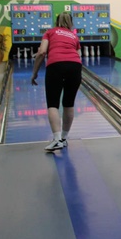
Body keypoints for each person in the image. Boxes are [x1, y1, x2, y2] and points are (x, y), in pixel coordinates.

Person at [31, 11, 83, 152]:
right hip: (75, 67)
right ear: (71, 22)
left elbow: (42, 52)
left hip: (56, 66)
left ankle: (57, 139)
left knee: (53, 104)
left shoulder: (50, 32)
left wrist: (34, 73)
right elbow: (79, 56)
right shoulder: (74, 36)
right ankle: (64, 138)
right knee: (68, 103)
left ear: (56, 21)